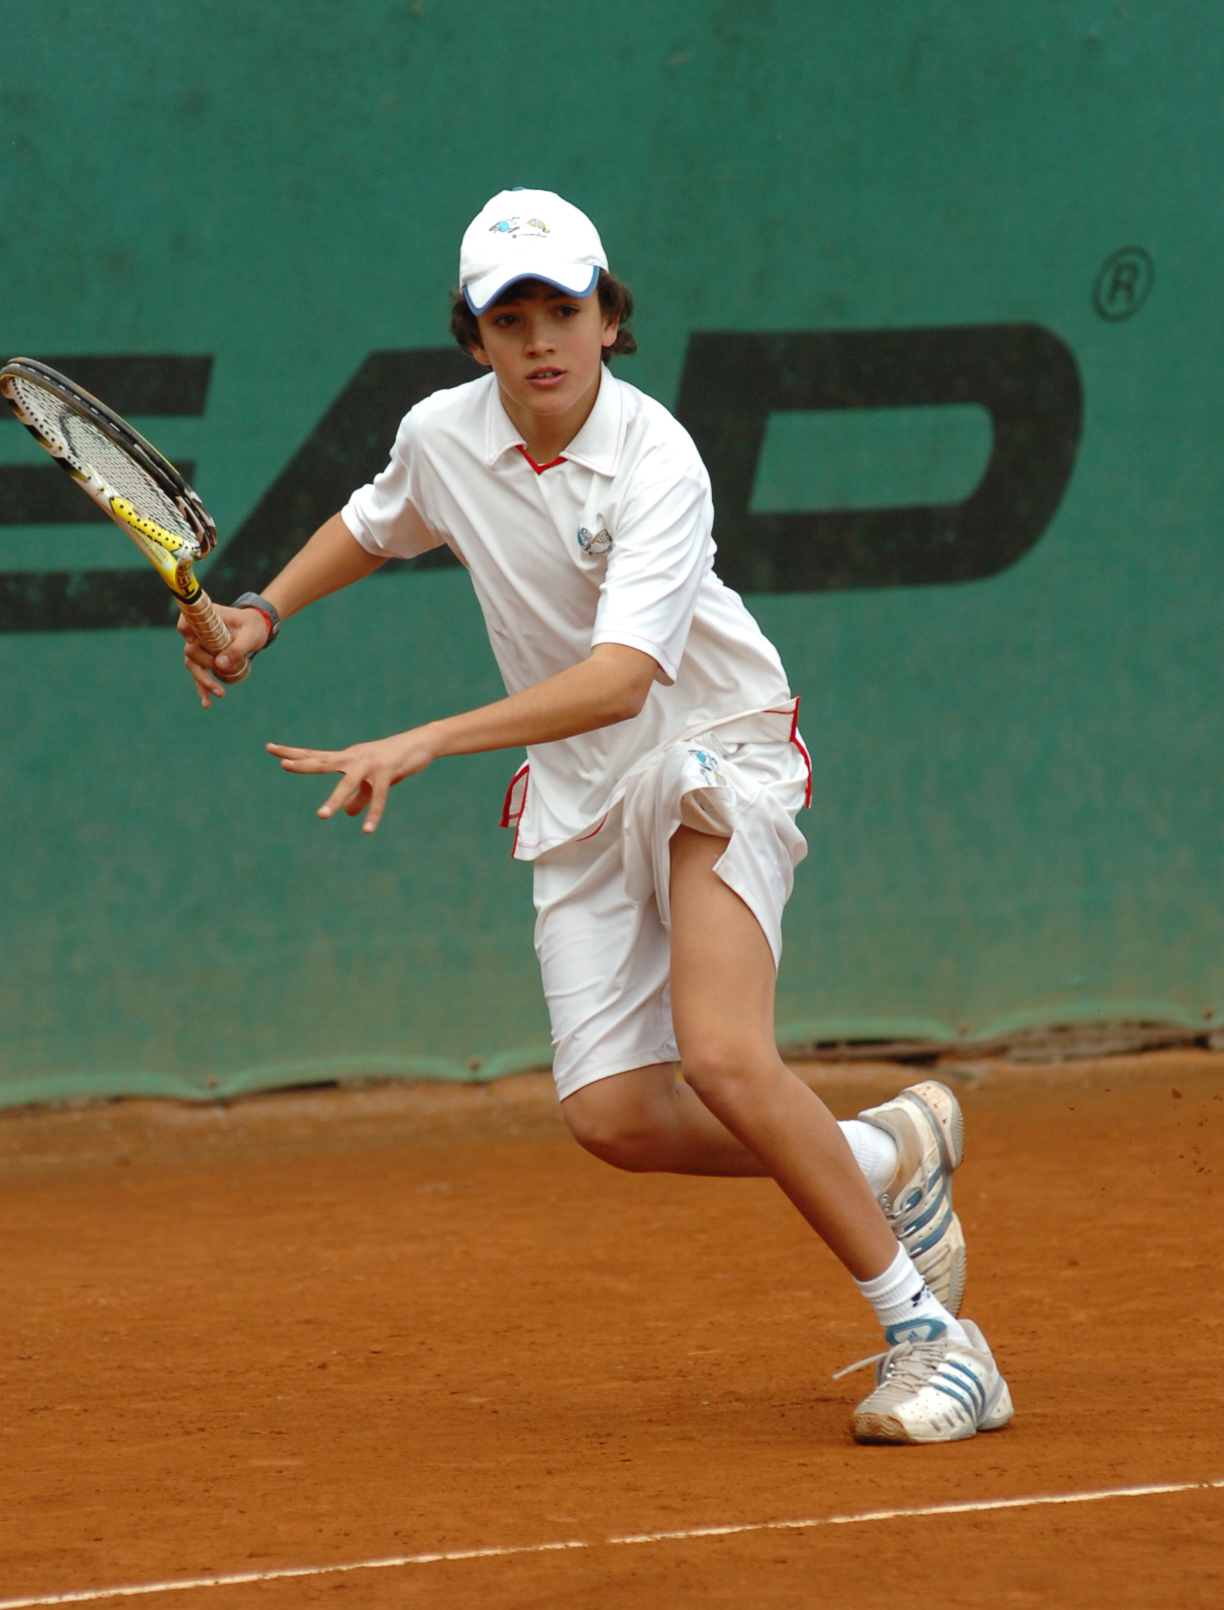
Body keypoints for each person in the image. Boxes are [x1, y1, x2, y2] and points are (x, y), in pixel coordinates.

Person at [180, 187, 1012, 1445]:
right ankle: (882, 1153)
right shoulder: (443, 434)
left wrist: (426, 738)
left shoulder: (657, 455)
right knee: (614, 1116)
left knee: (724, 1054)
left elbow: (626, 678)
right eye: (505, 319)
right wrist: (259, 615)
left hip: (708, 747)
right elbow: (373, 520)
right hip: (580, 788)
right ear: (472, 340)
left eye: (563, 309)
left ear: (607, 316)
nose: (538, 340)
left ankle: (935, 1339)